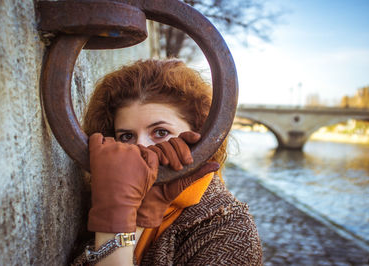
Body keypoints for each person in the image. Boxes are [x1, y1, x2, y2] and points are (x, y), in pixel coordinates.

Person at [72, 59, 262, 265]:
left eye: (160, 133)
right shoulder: (105, 195)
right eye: (127, 136)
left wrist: (115, 221)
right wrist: (132, 215)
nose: (141, 149)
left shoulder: (229, 226)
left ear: (199, 137)